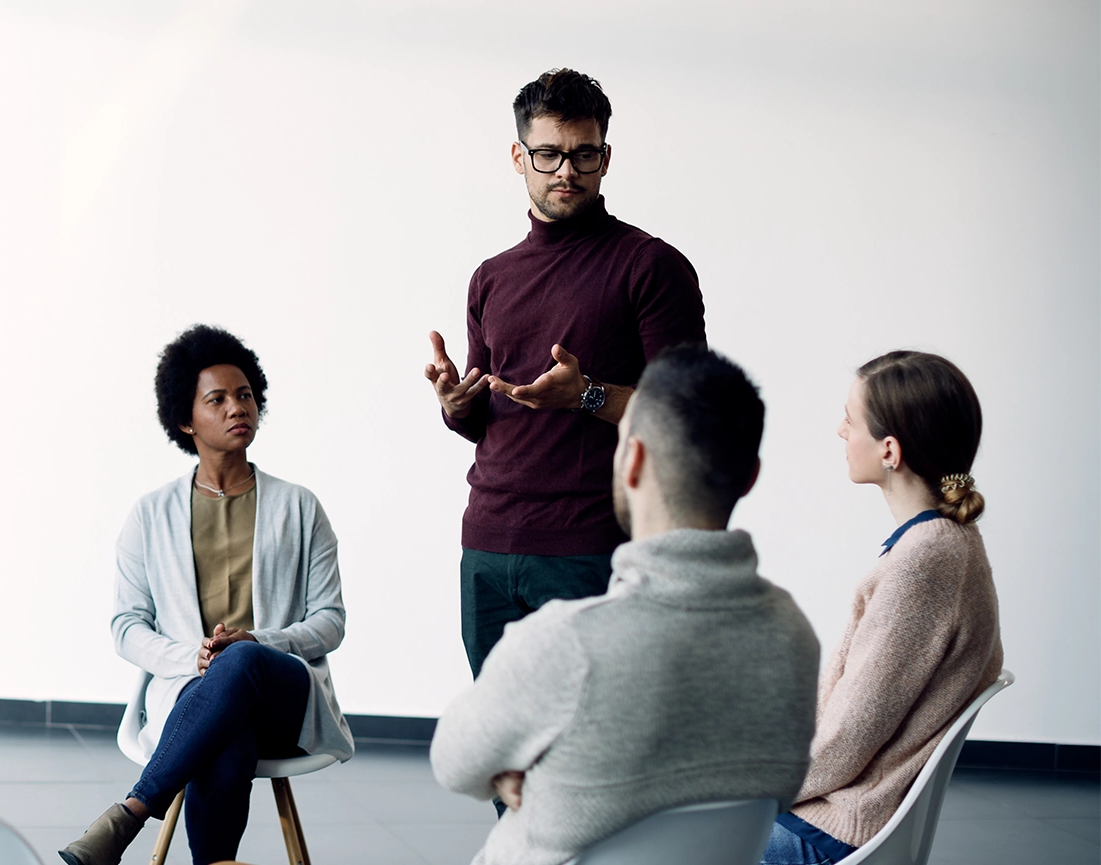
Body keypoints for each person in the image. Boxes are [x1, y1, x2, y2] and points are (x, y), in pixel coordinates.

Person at [431, 346, 819, 865]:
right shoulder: (792, 635)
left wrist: (529, 765)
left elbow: (453, 763)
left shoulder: (565, 641)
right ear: (750, 475)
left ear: (631, 460)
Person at [424, 68, 707, 677]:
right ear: (518, 156)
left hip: (591, 544)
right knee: (502, 751)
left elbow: (689, 419)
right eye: (549, 154)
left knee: (589, 746)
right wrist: (457, 405)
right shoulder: (491, 276)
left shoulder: (650, 266)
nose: (566, 172)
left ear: (606, 157)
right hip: (489, 540)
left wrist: (587, 395)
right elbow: (487, 414)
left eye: (584, 155)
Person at [59, 325, 353, 865]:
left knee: (242, 660)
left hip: (284, 694)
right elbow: (127, 625)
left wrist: (260, 641)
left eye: (244, 395)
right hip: (192, 695)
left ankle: (128, 816)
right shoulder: (150, 515)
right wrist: (188, 657)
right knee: (228, 735)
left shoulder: (300, 507)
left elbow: (330, 621)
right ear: (185, 420)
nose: (237, 407)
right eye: (216, 399)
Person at [763, 351, 1003, 864]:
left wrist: (755, 790)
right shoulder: (945, 542)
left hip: (834, 830)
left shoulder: (924, 561)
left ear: (889, 449)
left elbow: (851, 736)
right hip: (846, 811)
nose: (840, 432)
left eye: (850, 420)